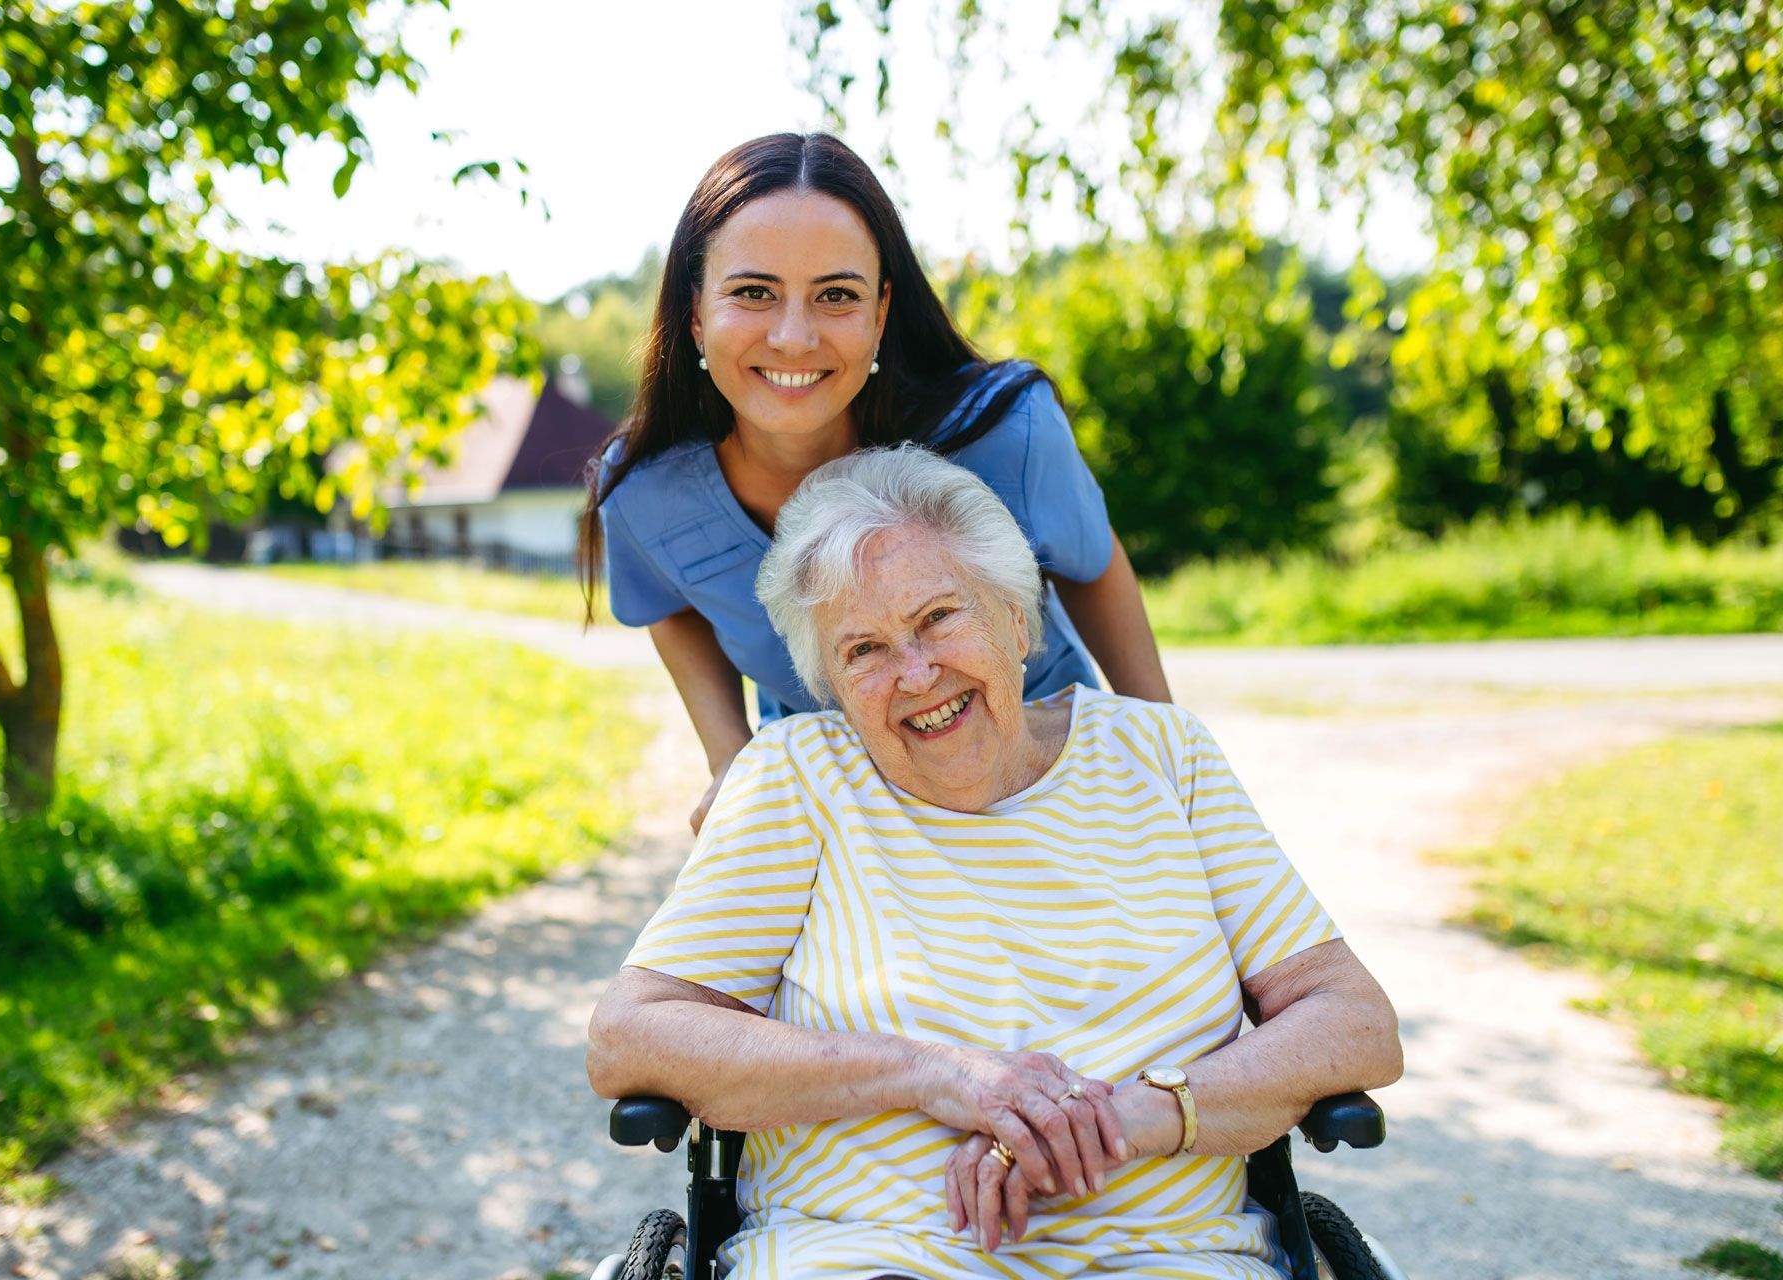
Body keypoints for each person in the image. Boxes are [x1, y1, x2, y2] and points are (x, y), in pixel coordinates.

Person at [588, 446, 1403, 1280]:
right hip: (867, 1260)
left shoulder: (1163, 757)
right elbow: (631, 1037)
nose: (915, 673)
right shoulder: (799, 779)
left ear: (1018, 619)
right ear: (828, 682)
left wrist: (1118, 1120)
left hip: (1173, 1260)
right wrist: (933, 1075)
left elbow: (1354, 1023)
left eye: (940, 618)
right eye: (863, 650)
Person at [580, 132, 1173, 832]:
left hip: (1048, 781)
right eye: (753, 293)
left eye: (836, 294)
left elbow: (1093, 567)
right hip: (841, 810)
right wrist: (730, 757)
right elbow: (666, 600)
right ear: (697, 315)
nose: (794, 338)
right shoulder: (645, 494)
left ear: (881, 312)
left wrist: (1166, 752)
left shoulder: (1007, 433)